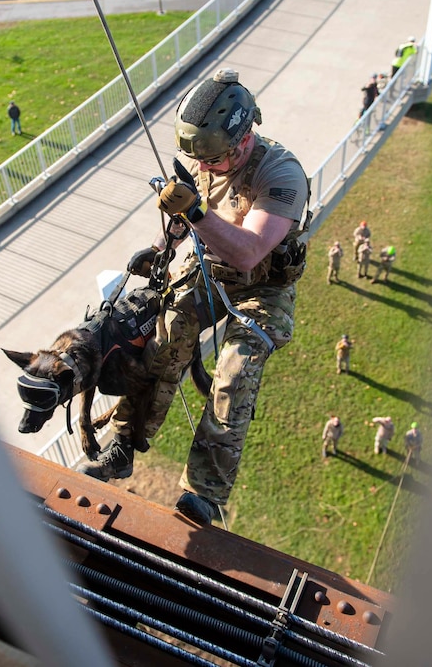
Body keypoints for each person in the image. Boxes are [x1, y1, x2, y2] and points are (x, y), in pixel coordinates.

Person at [78, 69, 309, 527]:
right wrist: (167, 243)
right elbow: (189, 215)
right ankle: (123, 444)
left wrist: (196, 210)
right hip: (213, 270)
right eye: (198, 162)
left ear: (243, 142)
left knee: (236, 371)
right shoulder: (205, 159)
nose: (204, 170)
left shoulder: (281, 175)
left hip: (263, 286)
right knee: (165, 336)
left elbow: (248, 252)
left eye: (214, 161)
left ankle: (204, 491)